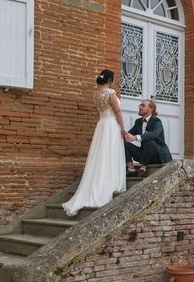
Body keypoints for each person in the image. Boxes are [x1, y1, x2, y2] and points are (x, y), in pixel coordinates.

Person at [62, 70, 126, 217]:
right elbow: (117, 112)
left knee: (100, 155)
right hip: (111, 125)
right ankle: (111, 183)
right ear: (110, 80)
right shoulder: (111, 93)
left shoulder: (96, 94)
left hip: (101, 125)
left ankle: (99, 181)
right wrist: (123, 129)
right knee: (110, 154)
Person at [124, 99, 172, 177]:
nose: (139, 107)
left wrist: (136, 137)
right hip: (144, 154)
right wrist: (121, 133)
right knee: (124, 143)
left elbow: (155, 134)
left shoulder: (156, 121)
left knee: (149, 140)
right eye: (140, 105)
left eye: (143, 105)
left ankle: (144, 166)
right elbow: (129, 134)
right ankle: (131, 168)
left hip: (157, 155)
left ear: (151, 108)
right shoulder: (138, 122)